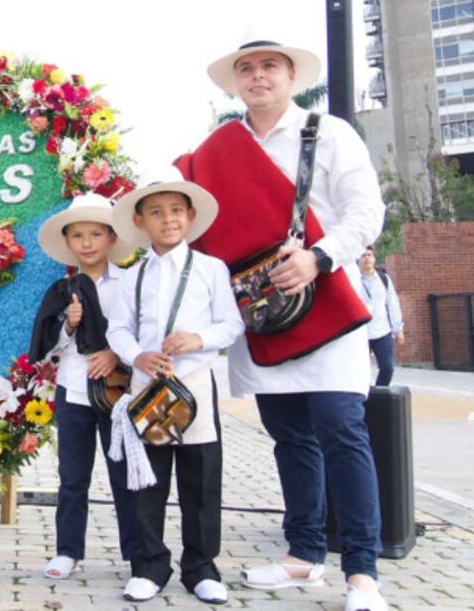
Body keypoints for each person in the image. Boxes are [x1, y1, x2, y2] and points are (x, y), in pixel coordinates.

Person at [174, 30, 388, 611]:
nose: (259, 76)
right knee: (290, 438)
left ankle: (363, 574)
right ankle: (303, 555)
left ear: (292, 77)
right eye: (247, 69)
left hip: (325, 306)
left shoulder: (329, 132)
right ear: (236, 82)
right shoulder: (216, 149)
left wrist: (319, 257)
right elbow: (186, 216)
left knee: (343, 431)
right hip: (260, 314)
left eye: (271, 66)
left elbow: (366, 211)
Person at [104, 172, 243, 604]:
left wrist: (197, 340)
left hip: (195, 384)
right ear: (141, 221)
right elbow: (118, 330)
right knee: (148, 481)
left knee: (201, 480)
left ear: (191, 217)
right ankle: (149, 566)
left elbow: (232, 324)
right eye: (157, 212)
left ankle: (201, 567)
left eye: (176, 211)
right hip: (148, 387)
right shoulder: (133, 276)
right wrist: (137, 357)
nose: (168, 219)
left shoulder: (210, 268)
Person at [27, 193, 136, 582]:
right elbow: (46, 348)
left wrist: (114, 354)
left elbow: (142, 335)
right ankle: (67, 551)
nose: (87, 243)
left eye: (95, 234)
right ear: (68, 242)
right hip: (72, 392)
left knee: (125, 475)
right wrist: (69, 325)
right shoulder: (62, 289)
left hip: (118, 393)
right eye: (78, 236)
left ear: (110, 238)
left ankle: (137, 552)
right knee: (73, 477)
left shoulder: (129, 283)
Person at [357, 246, 405, 387]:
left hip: (382, 331)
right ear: (358, 260)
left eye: (369, 255)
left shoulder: (384, 279)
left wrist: (398, 329)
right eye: (363, 255)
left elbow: (392, 303)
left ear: (374, 258)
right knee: (361, 370)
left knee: (387, 367)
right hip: (361, 333)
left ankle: (380, 393)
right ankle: (364, 396)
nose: (366, 258)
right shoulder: (353, 280)